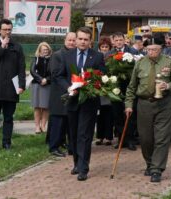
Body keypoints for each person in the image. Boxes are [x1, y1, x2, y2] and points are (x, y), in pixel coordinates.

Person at [125, 33, 171, 183]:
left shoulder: (170, 62)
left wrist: (168, 85)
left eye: (154, 49)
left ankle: (157, 169)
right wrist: (129, 105)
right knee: (145, 138)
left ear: (161, 49)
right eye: (148, 49)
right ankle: (149, 163)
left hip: (164, 104)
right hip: (144, 105)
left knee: (162, 138)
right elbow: (132, 87)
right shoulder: (140, 63)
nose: (151, 52)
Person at [55, 27, 105, 181]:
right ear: (75, 40)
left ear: (90, 41)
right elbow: (59, 76)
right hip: (72, 100)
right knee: (74, 134)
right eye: (80, 39)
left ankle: (84, 167)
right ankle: (76, 163)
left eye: (86, 39)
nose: (83, 42)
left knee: (84, 134)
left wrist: (92, 85)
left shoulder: (97, 56)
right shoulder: (67, 56)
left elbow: (103, 76)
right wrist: (69, 87)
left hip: (89, 102)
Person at [0, 19, 26, 152]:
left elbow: (21, 68)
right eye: (5, 29)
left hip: (11, 89)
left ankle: (7, 143)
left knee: (8, 118)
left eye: (9, 29)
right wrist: (2, 47)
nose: (8, 32)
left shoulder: (17, 47)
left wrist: (22, 85)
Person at [48, 32, 76, 157]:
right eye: (69, 40)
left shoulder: (76, 55)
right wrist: (68, 87)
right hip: (59, 94)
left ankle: (71, 147)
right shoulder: (57, 55)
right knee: (58, 122)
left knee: (70, 122)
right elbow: (54, 74)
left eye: (73, 40)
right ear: (64, 40)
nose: (71, 42)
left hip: (73, 93)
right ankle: (54, 147)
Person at [30, 42, 52, 134]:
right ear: (39, 51)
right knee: (37, 107)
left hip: (48, 85)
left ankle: (43, 125)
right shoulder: (36, 59)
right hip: (37, 85)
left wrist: (46, 80)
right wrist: (40, 79)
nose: (45, 51)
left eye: (47, 50)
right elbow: (32, 71)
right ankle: (37, 127)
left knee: (46, 107)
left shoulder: (52, 60)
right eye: (43, 50)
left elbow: (54, 72)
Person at [95, 36, 114, 146]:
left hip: (109, 88)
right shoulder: (96, 57)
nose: (105, 49)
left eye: (107, 47)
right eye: (103, 47)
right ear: (99, 48)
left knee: (108, 114)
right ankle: (99, 136)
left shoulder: (112, 58)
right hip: (98, 88)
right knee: (99, 114)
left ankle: (108, 137)